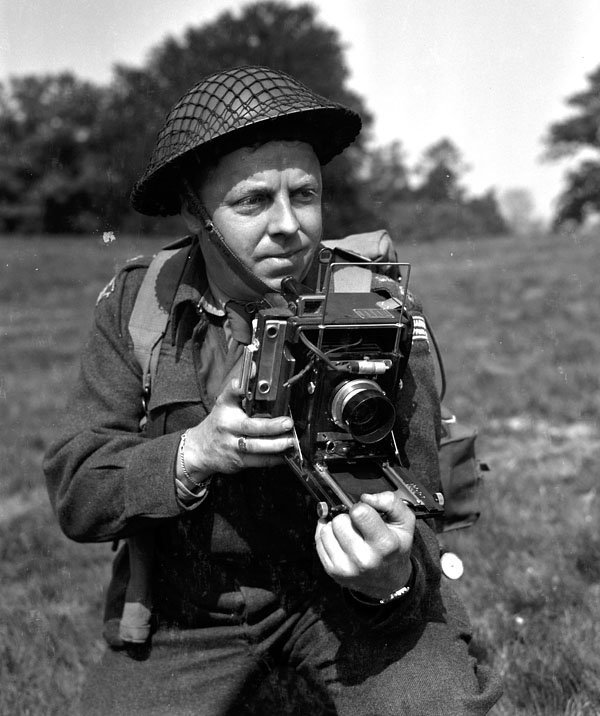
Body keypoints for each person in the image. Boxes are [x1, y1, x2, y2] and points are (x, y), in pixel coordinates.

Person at [44, 65, 502, 715]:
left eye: (305, 195)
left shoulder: (376, 300)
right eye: (253, 201)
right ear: (197, 213)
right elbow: (76, 488)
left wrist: (391, 579)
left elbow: (421, 495)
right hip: (189, 611)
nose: (289, 225)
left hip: (348, 602)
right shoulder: (137, 306)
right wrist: (194, 452)